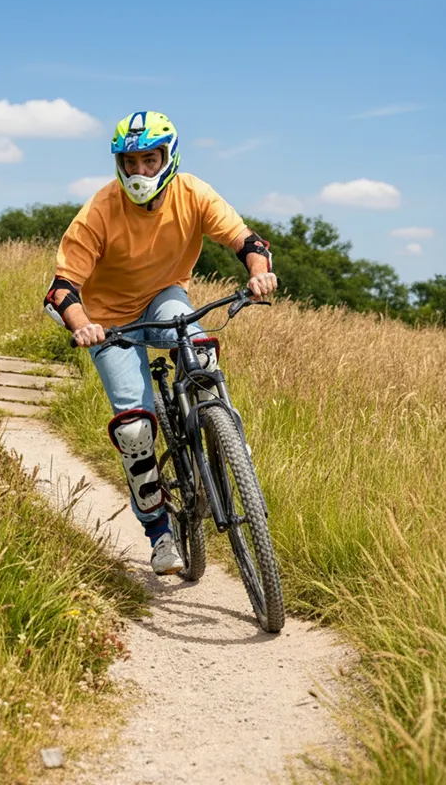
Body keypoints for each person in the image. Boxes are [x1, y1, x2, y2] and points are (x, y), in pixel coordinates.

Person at [43, 111, 278, 574]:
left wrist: (259, 274)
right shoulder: (99, 211)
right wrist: (81, 324)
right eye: (129, 162)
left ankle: (229, 445)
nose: (139, 172)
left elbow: (247, 240)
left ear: (168, 156)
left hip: (164, 298)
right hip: (110, 322)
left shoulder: (192, 192)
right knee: (135, 429)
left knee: (199, 350)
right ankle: (160, 535)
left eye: (149, 160)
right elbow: (62, 287)